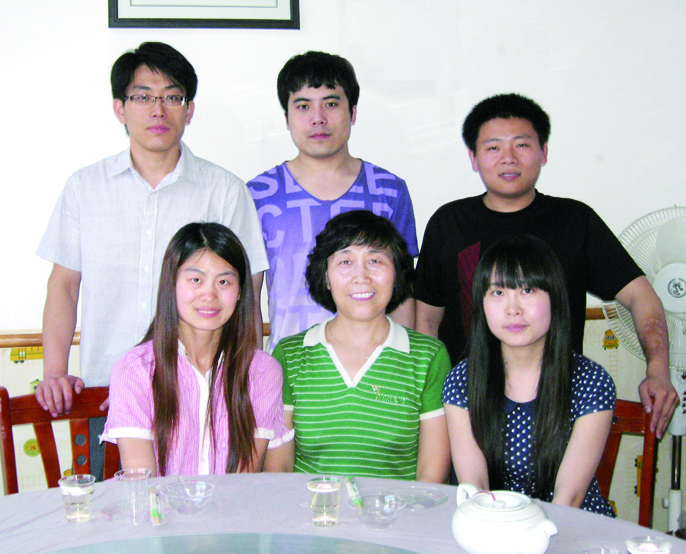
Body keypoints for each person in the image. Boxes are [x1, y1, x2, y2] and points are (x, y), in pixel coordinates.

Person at [35, 42, 268, 471]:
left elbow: (246, 295)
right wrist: (54, 371)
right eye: (143, 96)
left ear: (189, 110)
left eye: (172, 97)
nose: (158, 110)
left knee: (215, 506)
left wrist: (242, 383)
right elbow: (64, 285)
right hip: (103, 390)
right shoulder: (85, 187)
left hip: (202, 398)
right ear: (120, 109)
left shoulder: (224, 190)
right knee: (116, 509)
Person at [414, 93, 677, 437]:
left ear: (544, 152)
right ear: (474, 158)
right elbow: (426, 320)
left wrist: (658, 370)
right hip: (467, 408)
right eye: (493, 147)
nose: (508, 158)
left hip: (557, 410)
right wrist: (435, 399)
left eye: (522, 144)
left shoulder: (575, 220)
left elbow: (641, 295)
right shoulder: (449, 222)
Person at [247, 51, 418, 352]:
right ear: (286, 117)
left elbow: (403, 293)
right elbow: (248, 299)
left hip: (376, 366)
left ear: (353, 112)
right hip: (290, 366)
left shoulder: (389, 191)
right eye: (303, 106)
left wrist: (402, 364)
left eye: (331, 103)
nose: (318, 118)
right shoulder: (258, 194)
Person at [267, 210, 451, 481]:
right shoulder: (291, 354)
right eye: (345, 261)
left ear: (396, 273)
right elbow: (279, 470)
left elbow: (432, 476)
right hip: (311, 506)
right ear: (326, 277)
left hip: (397, 508)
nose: (361, 276)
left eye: (375, 260)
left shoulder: (428, 357)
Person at [444, 235, 616, 515]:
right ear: (481, 303)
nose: (513, 309)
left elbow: (569, 497)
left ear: (554, 297)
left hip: (573, 526)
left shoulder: (590, 382)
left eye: (527, 290)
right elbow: (475, 487)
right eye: (498, 293)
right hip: (494, 524)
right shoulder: (462, 380)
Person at [102, 222, 292, 475]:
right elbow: (142, 482)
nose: (209, 295)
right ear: (171, 284)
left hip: (234, 501)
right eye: (196, 279)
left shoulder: (261, 370)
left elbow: (245, 481)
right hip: (160, 502)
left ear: (240, 291)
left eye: (223, 281)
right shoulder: (135, 369)